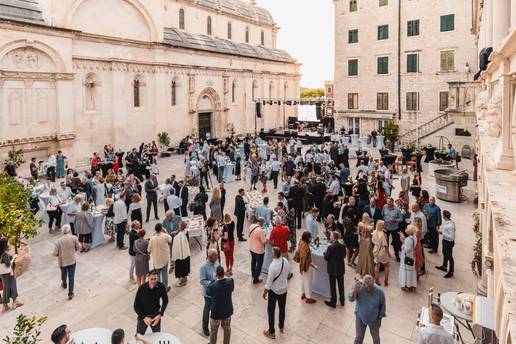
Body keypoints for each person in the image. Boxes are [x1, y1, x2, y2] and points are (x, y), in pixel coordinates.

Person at [349, 275, 386, 344]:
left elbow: (382, 307)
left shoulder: (379, 291)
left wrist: (379, 320)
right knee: (358, 339)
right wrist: (355, 290)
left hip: (374, 320)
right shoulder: (358, 286)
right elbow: (351, 299)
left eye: (370, 287)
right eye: (367, 287)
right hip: (360, 318)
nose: (369, 289)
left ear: (373, 283)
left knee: (376, 339)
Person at [263, 246, 290, 339]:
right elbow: (288, 272)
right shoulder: (285, 261)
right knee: (282, 309)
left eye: (272, 252)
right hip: (284, 290)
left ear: (274, 254)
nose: (271, 253)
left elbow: (269, 282)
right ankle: (281, 326)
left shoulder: (272, 266)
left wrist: (265, 291)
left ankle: (271, 332)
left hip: (274, 291)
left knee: (271, 311)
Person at [133, 269, 169, 334]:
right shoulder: (141, 288)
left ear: (157, 278)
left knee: (157, 335)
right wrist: (144, 318)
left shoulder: (161, 286)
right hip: (143, 315)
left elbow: (165, 300)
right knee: (139, 336)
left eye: (155, 279)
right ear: (148, 277)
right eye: (151, 279)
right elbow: (136, 306)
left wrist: (160, 314)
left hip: (155, 315)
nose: (153, 281)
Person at [207, 265, 234, 344]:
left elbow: (208, 292)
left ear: (216, 274)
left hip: (216, 312)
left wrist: (213, 280)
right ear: (224, 272)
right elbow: (232, 289)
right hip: (227, 310)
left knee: (214, 330)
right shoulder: (230, 281)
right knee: (227, 328)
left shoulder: (213, 285)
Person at [53, 225, 80, 300]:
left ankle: (64, 284)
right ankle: (70, 293)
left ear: (62, 231)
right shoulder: (74, 238)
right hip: (72, 260)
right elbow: (78, 247)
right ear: (69, 230)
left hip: (62, 261)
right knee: (71, 277)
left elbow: (54, 253)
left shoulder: (58, 241)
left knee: (63, 274)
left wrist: (60, 254)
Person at [324, 231, 346, 308]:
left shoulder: (330, 247)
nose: (330, 236)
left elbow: (326, 258)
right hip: (340, 268)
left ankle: (333, 302)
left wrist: (325, 253)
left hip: (332, 269)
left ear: (334, 237)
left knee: (333, 286)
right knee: (341, 286)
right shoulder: (342, 246)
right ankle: (342, 300)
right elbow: (344, 255)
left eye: (331, 235)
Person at [0, 238, 23, 312]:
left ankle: (5, 305)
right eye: (8, 243)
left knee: (6, 288)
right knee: (13, 286)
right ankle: (15, 302)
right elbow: (8, 264)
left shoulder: (1, 253)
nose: (9, 244)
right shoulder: (5, 254)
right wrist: (14, 257)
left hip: (3, 274)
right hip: (9, 273)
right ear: (5, 245)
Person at [294, 231, 317, 304]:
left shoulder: (301, 241)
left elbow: (298, 251)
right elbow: (306, 260)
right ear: (307, 238)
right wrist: (314, 266)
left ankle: (303, 293)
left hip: (301, 265)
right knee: (308, 281)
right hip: (306, 267)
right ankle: (308, 297)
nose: (311, 238)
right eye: (310, 237)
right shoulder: (306, 248)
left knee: (303, 280)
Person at [200, 249, 219, 337]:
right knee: (207, 310)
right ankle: (205, 327)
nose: (217, 256)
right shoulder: (203, 267)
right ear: (210, 256)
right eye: (215, 255)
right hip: (208, 293)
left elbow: (219, 271)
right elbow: (202, 281)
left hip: (217, 291)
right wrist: (212, 283)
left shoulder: (216, 262)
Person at [148, 223, 172, 292]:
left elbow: (148, 250)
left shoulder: (152, 239)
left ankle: (158, 289)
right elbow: (170, 239)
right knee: (165, 274)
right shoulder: (165, 236)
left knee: (157, 275)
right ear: (161, 229)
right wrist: (166, 232)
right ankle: (164, 288)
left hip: (156, 260)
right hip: (164, 259)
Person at [436, 210, 456, 278]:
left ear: (444, 216)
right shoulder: (449, 222)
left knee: (449, 257)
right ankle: (444, 266)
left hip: (448, 242)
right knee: (444, 253)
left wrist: (442, 233)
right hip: (445, 241)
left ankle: (451, 271)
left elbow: (451, 237)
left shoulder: (450, 225)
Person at [372, 220, 391, 286]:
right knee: (386, 265)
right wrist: (389, 253)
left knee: (377, 265)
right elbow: (385, 245)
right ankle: (386, 280)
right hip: (383, 252)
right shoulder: (384, 235)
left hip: (376, 250)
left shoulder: (374, 232)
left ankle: (376, 279)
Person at [172, 221, 191, 287]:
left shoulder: (178, 236)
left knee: (181, 268)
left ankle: (183, 281)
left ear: (180, 226)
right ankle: (185, 278)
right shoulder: (186, 232)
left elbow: (175, 247)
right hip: (186, 253)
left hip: (180, 255)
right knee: (185, 267)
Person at [399, 225, 418, 292]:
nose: (405, 229)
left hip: (407, 257)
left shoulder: (408, 239)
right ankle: (411, 284)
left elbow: (406, 249)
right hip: (412, 256)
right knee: (411, 271)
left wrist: (402, 242)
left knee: (406, 271)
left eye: (407, 228)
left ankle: (407, 285)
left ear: (410, 231)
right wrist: (404, 239)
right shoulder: (414, 237)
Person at [249, 217, 266, 284]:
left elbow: (249, 235)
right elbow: (263, 242)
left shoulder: (251, 226)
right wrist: (266, 239)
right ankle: (256, 279)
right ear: (261, 222)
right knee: (259, 264)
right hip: (259, 250)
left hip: (251, 248)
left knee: (253, 261)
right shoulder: (260, 230)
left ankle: (253, 274)